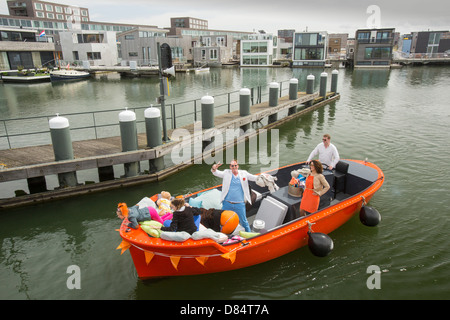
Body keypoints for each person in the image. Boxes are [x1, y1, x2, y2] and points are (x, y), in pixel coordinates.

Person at [211, 160, 258, 232]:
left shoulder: (244, 173)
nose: (234, 167)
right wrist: (214, 168)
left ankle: (249, 235)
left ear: (238, 166)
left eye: (235, 165)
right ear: (230, 167)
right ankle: (221, 234)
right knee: (222, 220)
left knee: (244, 221)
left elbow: (254, 178)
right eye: (232, 166)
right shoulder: (226, 173)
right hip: (227, 203)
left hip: (239, 204)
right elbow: (216, 173)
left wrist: (264, 176)